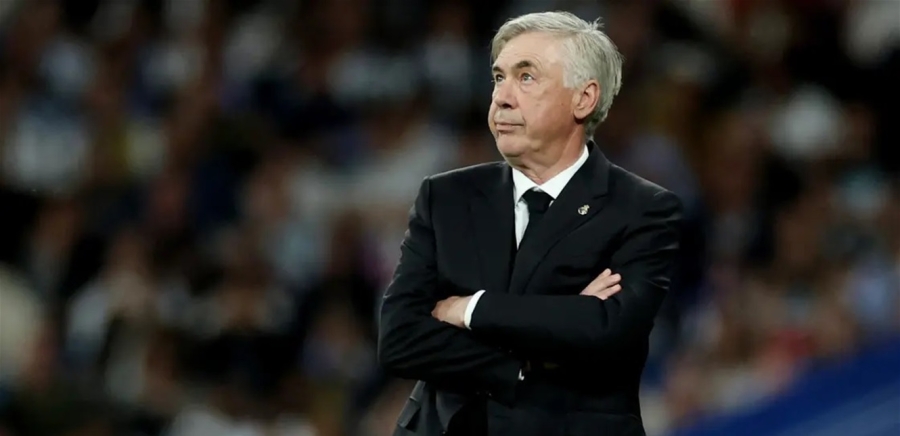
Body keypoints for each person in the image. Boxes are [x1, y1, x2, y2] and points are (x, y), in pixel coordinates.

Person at [378, 11, 683, 436]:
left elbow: (607, 329)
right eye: (498, 77)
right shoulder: (446, 197)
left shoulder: (642, 208)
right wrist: (527, 358)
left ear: (583, 98)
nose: (502, 98)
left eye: (526, 77)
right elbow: (399, 339)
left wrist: (470, 308)